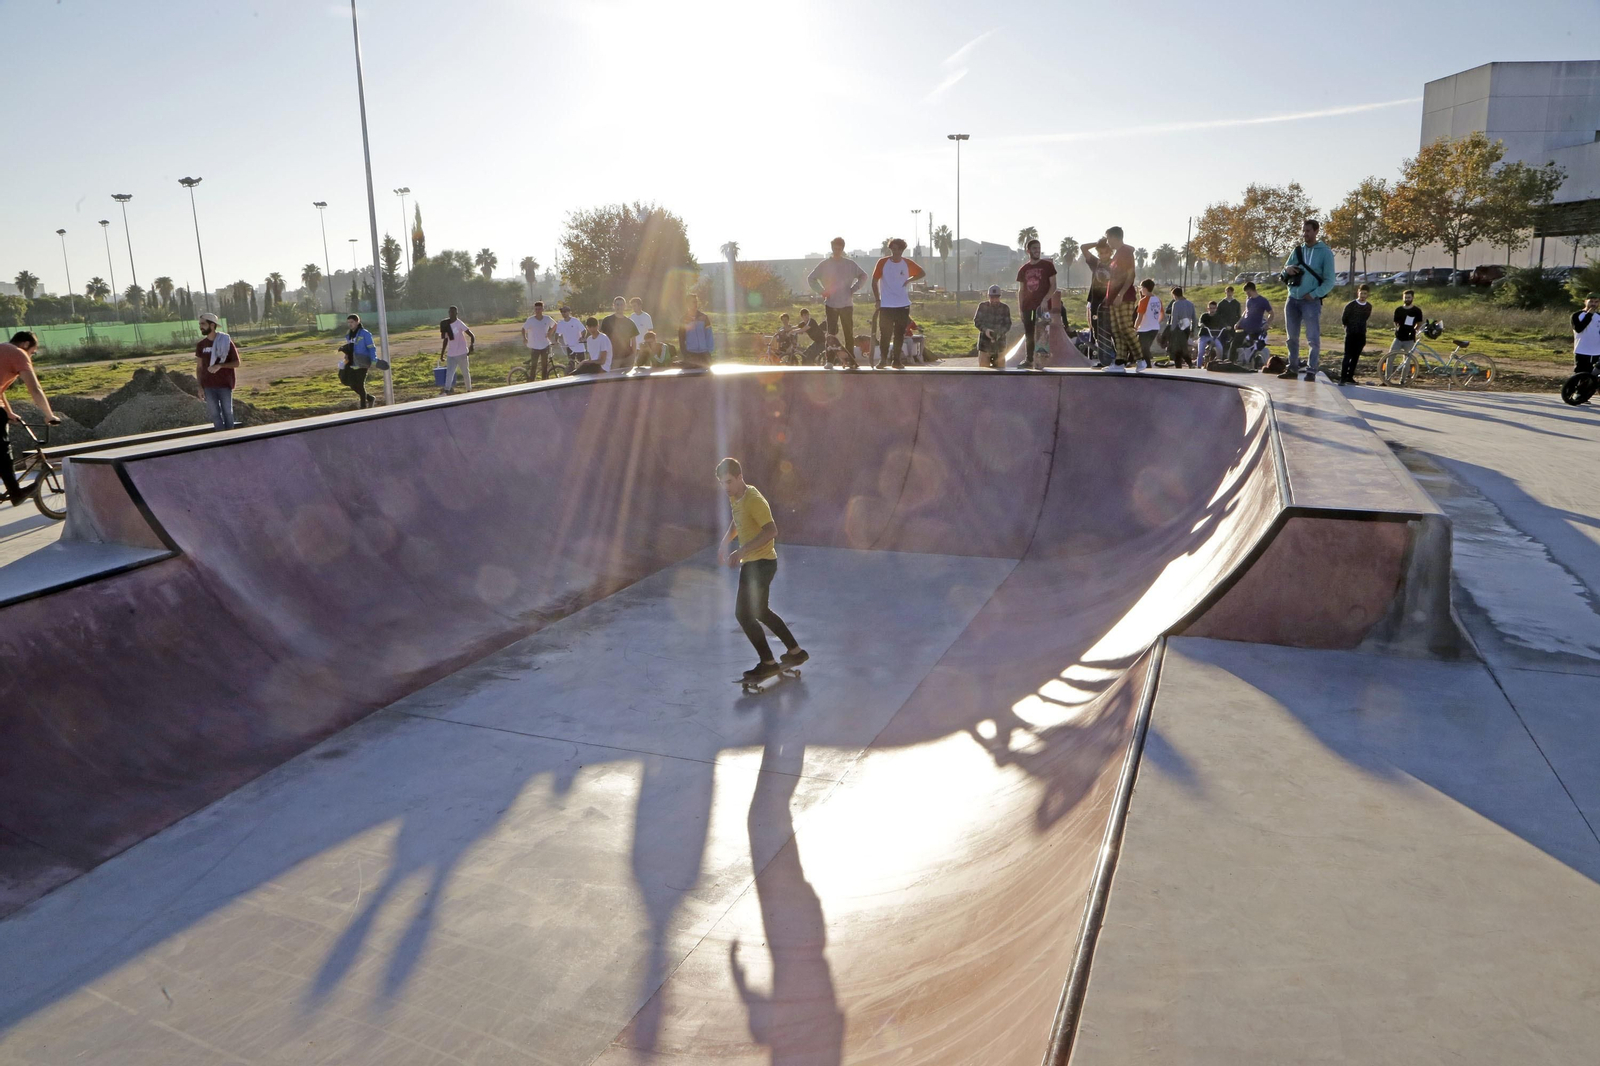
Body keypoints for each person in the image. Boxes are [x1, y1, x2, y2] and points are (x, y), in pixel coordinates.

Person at [716, 456, 807, 682]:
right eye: (722, 483)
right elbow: (738, 521)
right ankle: (796, 652)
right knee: (761, 612)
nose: (726, 487)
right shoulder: (736, 497)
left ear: (740, 477)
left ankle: (767, 662)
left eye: (729, 481)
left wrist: (741, 552)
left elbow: (771, 531)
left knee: (743, 614)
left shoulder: (753, 499)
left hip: (761, 564)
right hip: (755, 563)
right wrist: (725, 543)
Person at [0, 332, 61, 507]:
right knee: (3, 450)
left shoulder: (2, 349)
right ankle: (16, 492)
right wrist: (49, 415)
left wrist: (9, 412)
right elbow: (35, 389)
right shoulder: (19, 354)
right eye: (33, 352)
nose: (31, 356)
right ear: (26, 344)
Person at [1279, 217, 1338, 381]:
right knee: (1291, 338)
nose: (1305, 234)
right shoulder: (1297, 250)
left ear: (1316, 231)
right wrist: (1287, 270)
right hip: (1292, 299)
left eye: (1308, 231)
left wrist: (1314, 294)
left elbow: (1330, 280)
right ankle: (1292, 368)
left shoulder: (1325, 252)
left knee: (1312, 338)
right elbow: (1284, 272)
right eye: (1303, 231)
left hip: (1310, 301)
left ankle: (1312, 370)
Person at [1083, 227, 1139, 371]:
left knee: (1116, 330)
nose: (1103, 255)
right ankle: (1105, 360)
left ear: (1111, 252)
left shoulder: (1116, 261)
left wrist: (1120, 294)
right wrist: (1100, 243)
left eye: (1106, 251)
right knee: (1098, 331)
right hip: (1097, 302)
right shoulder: (1096, 263)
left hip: (1112, 299)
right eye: (1101, 253)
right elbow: (1083, 248)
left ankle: (1121, 359)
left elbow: (1129, 252)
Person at [871, 238, 925, 369]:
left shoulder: (907, 263)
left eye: (898, 249)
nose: (895, 252)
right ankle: (883, 360)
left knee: (900, 333)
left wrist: (910, 279)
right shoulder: (883, 262)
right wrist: (878, 300)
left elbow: (922, 273)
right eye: (893, 249)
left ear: (902, 250)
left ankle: (897, 361)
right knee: (885, 334)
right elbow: (874, 281)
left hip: (902, 305)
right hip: (886, 305)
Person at [808, 238, 867, 354]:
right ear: (832, 248)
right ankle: (829, 359)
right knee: (831, 333)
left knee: (848, 333)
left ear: (843, 249)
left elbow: (863, 276)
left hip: (846, 304)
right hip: (831, 304)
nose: (837, 251)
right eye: (835, 248)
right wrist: (822, 291)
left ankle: (850, 357)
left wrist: (854, 289)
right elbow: (811, 278)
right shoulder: (825, 264)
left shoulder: (850, 264)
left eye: (839, 249)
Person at [1015, 238, 1057, 369]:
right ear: (1028, 251)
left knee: (1042, 332)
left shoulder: (1047, 266)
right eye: (1034, 249)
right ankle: (1029, 359)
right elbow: (1021, 290)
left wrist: (1045, 299)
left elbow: (1054, 286)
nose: (1037, 251)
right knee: (1029, 333)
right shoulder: (1023, 269)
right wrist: (1020, 309)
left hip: (1042, 307)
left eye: (1038, 248)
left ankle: (1041, 360)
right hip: (1028, 306)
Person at [195, 312, 241, 428]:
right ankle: (220, 439)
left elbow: (236, 363)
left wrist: (220, 365)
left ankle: (231, 438)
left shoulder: (226, 342)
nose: (201, 326)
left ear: (212, 325)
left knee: (227, 413)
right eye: (200, 324)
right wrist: (200, 386)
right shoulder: (201, 345)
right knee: (215, 414)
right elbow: (199, 367)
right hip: (208, 386)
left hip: (224, 385)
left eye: (203, 324)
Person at [337, 313, 377, 409]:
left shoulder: (365, 333)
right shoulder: (349, 334)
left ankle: (363, 407)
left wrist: (374, 360)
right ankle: (370, 398)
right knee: (351, 383)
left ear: (357, 322)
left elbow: (371, 347)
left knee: (359, 384)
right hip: (351, 361)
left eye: (352, 322)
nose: (350, 324)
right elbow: (351, 346)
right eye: (348, 322)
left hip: (362, 362)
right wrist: (345, 351)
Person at [1339, 285, 1374, 384]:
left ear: (1367, 294)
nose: (1363, 295)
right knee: (1347, 356)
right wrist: (1348, 327)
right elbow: (1344, 318)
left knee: (1356, 357)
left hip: (1361, 333)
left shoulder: (1368, 306)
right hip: (1350, 333)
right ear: (1358, 293)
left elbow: (1365, 318)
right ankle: (1343, 377)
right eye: (1361, 293)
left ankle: (1350, 377)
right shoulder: (1351, 305)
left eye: (1365, 294)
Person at [974, 284, 1012, 369]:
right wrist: (985, 330)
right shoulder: (982, 306)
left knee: (1001, 374)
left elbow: (1008, 324)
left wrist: (999, 333)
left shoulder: (1005, 308)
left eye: (996, 297)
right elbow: (977, 321)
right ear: (988, 296)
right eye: (992, 297)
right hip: (984, 345)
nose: (994, 300)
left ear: (1000, 297)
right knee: (984, 372)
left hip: (1000, 346)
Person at [439, 306, 475, 393]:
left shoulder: (459, 323)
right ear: (449, 313)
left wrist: (471, 346)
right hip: (451, 354)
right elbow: (446, 340)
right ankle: (447, 390)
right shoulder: (446, 324)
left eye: (453, 312)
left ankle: (468, 389)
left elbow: (472, 335)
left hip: (462, 353)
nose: (451, 314)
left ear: (456, 313)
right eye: (450, 312)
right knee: (449, 373)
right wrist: (442, 354)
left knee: (465, 372)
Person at [600, 296, 639, 371]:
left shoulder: (630, 322)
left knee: (627, 381)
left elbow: (633, 341)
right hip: (612, 357)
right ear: (613, 306)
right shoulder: (607, 320)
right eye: (617, 304)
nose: (619, 307)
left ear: (625, 306)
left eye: (621, 304)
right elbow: (602, 339)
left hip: (627, 357)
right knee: (613, 379)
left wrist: (634, 356)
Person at [1238, 281, 1274, 363]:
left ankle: (1256, 360)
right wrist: (1238, 322)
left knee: (1257, 345)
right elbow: (1246, 312)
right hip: (1246, 326)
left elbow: (1271, 313)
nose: (1246, 294)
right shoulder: (1248, 300)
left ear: (1251, 290)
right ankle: (1240, 360)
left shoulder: (1263, 301)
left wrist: (1267, 324)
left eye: (1247, 292)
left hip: (1256, 327)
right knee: (1239, 344)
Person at [522, 300, 558, 380]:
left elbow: (555, 325)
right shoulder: (530, 320)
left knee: (544, 366)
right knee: (533, 366)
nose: (537, 311)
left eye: (539, 309)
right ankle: (531, 382)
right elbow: (523, 329)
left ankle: (544, 382)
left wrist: (550, 333)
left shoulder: (547, 319)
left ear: (542, 309)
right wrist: (525, 338)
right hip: (534, 346)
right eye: (536, 309)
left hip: (545, 345)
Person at [679, 295, 716, 367]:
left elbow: (709, 335)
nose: (695, 304)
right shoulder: (683, 320)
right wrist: (685, 353)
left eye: (696, 302)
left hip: (704, 353)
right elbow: (681, 339)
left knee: (707, 376)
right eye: (693, 302)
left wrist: (709, 350)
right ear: (687, 304)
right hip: (691, 353)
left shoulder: (704, 317)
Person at [1134, 279, 1162, 368]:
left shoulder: (1143, 301)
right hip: (1155, 328)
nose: (1141, 290)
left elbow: (1140, 316)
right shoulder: (1158, 300)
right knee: (1145, 348)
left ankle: (1147, 366)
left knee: (1143, 349)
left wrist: (1135, 327)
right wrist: (1155, 322)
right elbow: (1162, 314)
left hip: (1145, 329)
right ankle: (1145, 364)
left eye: (1141, 288)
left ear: (1145, 288)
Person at [1390, 289, 1424, 360]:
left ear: (1412, 298)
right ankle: (1388, 371)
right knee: (1390, 357)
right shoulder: (1398, 310)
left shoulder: (1417, 311)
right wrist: (1397, 329)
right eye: (1405, 298)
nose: (1407, 299)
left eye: (1409, 297)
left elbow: (1419, 323)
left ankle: (1405, 371)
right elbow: (1395, 322)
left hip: (1409, 339)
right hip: (1398, 338)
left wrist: (1414, 330)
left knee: (1406, 360)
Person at [1167, 286, 1196, 369]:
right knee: (1182, 347)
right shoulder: (1190, 304)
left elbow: (1174, 318)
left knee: (1178, 349)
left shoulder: (1176, 304)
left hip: (1177, 329)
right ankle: (1187, 364)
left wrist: (1171, 330)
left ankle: (1185, 365)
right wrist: (1192, 330)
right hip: (1186, 329)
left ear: (1175, 295)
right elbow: (1194, 318)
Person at [553, 304, 586, 374]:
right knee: (571, 364)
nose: (563, 313)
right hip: (569, 347)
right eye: (562, 312)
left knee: (582, 364)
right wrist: (556, 340)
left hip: (578, 346)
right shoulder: (560, 323)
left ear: (569, 312)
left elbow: (583, 330)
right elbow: (557, 333)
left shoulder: (575, 321)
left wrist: (582, 337)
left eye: (565, 311)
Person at [1573, 293, 1600, 375]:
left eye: (1596, 302)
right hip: (1582, 350)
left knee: (1594, 376)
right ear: (1585, 302)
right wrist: (1589, 314)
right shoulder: (1577, 315)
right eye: (1591, 301)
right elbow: (1579, 329)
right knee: (1580, 374)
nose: (1593, 304)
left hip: (1596, 352)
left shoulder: (1599, 316)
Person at [1215, 284, 1242, 359]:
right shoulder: (1221, 303)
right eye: (1228, 292)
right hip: (1224, 327)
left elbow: (1239, 315)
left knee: (1234, 342)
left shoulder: (1236, 303)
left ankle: (1232, 357)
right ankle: (1222, 357)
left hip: (1233, 326)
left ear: (1233, 293)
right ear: (1225, 292)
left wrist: (1238, 324)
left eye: (1231, 292)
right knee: (1223, 342)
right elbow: (1218, 316)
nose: (1229, 293)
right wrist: (1224, 325)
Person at [1196, 301, 1225, 367]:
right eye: (1210, 308)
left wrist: (1226, 326)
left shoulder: (1218, 317)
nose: (1212, 310)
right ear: (1208, 309)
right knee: (1201, 352)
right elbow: (1200, 322)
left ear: (1216, 309)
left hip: (1214, 336)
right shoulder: (1204, 315)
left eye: (1214, 308)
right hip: (1204, 336)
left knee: (1220, 348)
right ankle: (1198, 366)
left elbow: (1223, 324)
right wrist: (1201, 324)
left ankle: (1219, 364)